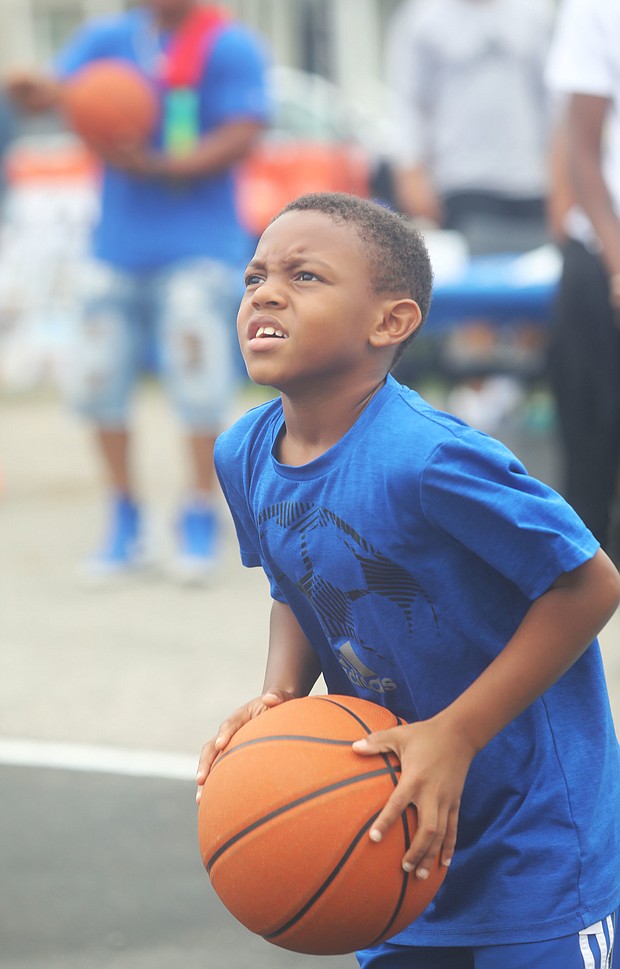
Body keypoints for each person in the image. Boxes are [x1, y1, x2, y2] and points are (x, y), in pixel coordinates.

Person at [196, 192, 620, 967]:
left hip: (535, 841)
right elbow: (292, 577)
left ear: (389, 322)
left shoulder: (428, 459)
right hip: (385, 832)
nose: (264, 291)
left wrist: (455, 733)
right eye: (255, 275)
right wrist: (281, 695)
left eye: (306, 275)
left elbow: (589, 583)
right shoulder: (243, 453)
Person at [5, 0, 270, 581]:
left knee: (197, 381)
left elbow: (245, 130)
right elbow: (62, 93)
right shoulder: (110, 37)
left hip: (199, 247)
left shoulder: (226, 43)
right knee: (97, 380)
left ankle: (199, 512)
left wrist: (161, 166)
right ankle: (124, 516)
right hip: (115, 247)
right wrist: (32, 85)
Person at [385, 0, 553, 255]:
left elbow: (553, 100)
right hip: (461, 183)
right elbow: (408, 103)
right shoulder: (422, 16)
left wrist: (563, 177)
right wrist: (411, 174)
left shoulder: (535, 12)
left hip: (531, 183)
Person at [545, 0, 620, 559]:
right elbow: (582, 146)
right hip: (603, 247)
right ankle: (583, 587)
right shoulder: (596, 8)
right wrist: (615, 256)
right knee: (594, 436)